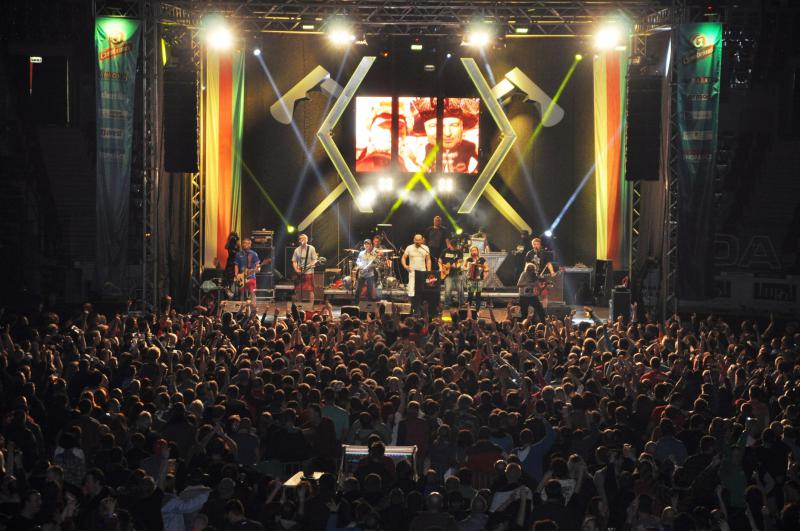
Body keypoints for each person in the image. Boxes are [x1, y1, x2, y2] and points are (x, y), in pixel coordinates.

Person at [414, 98, 479, 173]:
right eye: (434, 126)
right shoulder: (427, 148)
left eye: (454, 125)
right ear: (425, 129)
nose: (447, 133)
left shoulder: (470, 146)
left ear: (462, 127)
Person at [402, 234, 431, 312]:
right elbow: (403, 258)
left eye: (419, 240)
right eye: (416, 240)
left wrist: (429, 271)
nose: (417, 241)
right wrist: (405, 266)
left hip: (422, 272)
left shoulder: (425, 248)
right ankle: (412, 308)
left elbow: (428, 260)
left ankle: (420, 308)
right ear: (413, 240)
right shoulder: (409, 247)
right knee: (411, 290)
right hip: (412, 272)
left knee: (421, 290)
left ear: (422, 240)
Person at [291, 233, 318, 307]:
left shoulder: (311, 248)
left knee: (311, 290)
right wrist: (296, 270)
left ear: (307, 240)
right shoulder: (297, 250)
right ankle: (299, 306)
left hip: (309, 272)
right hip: (300, 272)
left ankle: (311, 305)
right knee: (298, 290)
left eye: (304, 238)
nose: (302, 240)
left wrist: (312, 264)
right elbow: (294, 261)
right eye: (301, 239)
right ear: (299, 240)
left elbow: (315, 259)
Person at [234, 237, 260, 304]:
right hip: (242, 277)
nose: (244, 244)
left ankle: (253, 307)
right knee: (242, 293)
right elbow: (236, 265)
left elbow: (258, 265)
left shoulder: (253, 254)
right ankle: (241, 307)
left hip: (251, 277)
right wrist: (236, 274)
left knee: (252, 292)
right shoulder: (238, 254)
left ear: (250, 245)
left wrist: (257, 269)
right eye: (243, 243)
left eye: (247, 243)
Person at [439, 238, 463, 308]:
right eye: (452, 246)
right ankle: (447, 304)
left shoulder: (459, 252)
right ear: (450, 245)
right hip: (447, 273)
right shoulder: (445, 251)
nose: (453, 247)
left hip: (456, 273)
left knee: (460, 289)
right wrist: (441, 268)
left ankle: (462, 303)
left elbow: (460, 262)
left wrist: (456, 266)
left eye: (455, 246)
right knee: (448, 289)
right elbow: (440, 259)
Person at [462, 246, 488, 312]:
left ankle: (477, 311)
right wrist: (468, 268)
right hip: (470, 279)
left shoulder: (482, 259)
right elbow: (463, 267)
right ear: (470, 252)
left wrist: (482, 270)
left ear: (477, 251)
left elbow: (487, 268)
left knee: (478, 295)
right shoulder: (468, 259)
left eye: (475, 250)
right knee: (470, 295)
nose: (474, 252)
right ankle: (468, 311)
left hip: (479, 280)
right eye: (472, 250)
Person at [354, 239, 379, 304]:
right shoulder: (361, 253)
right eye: (365, 244)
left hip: (370, 275)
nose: (366, 245)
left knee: (370, 292)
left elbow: (376, 264)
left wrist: (370, 266)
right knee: (357, 290)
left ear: (371, 245)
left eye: (368, 244)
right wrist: (360, 265)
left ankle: (369, 306)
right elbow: (358, 261)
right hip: (362, 274)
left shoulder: (374, 254)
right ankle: (356, 304)